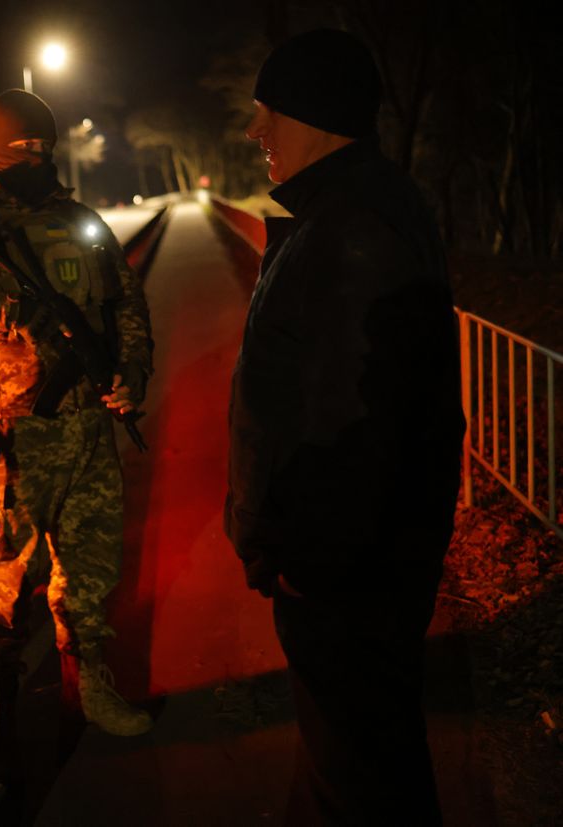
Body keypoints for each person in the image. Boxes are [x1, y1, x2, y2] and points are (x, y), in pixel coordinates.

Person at [226, 29, 465, 825]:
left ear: (315, 114)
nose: (257, 131)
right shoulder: (353, 212)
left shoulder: (353, 231)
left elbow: (356, 425)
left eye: (269, 112)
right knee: (353, 760)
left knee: (362, 774)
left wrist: (303, 561)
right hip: (352, 570)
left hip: (345, 579)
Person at [0, 89, 154, 787]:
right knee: (6, 584)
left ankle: (93, 690)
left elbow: (125, 305)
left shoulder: (77, 220)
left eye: (43, 148)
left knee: (92, 566)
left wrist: (131, 372)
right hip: (10, 432)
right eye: (23, 148)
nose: (36, 159)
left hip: (87, 422)